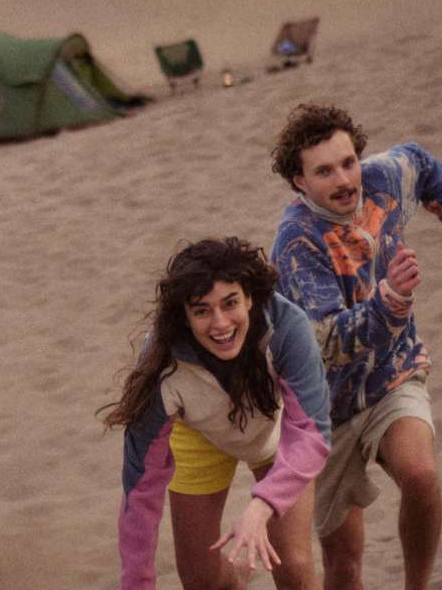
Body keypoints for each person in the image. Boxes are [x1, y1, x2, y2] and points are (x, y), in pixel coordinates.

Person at [266, 103, 442, 590]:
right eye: (324, 172)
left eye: (348, 162)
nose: (344, 180)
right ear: (298, 182)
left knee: (420, 474)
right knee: (345, 565)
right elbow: (329, 342)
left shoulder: (384, 179)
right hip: (324, 408)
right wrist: (390, 298)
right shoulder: (296, 243)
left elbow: (423, 165)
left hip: (393, 373)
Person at [106, 237, 332, 590]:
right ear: (184, 318)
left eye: (230, 303)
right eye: (202, 311)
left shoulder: (287, 326)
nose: (220, 323)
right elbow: (140, 489)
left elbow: (313, 435)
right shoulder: (161, 363)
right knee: (201, 581)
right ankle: (236, 577)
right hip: (199, 434)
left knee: (293, 567)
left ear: (250, 298)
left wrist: (262, 505)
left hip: (276, 432)